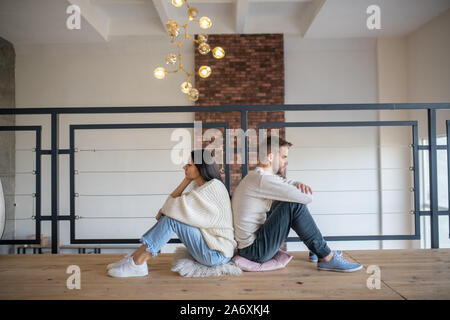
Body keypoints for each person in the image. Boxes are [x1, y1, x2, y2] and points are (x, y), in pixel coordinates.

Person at [231, 136, 362, 272]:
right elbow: (306, 198)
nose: (286, 162)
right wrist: (299, 188)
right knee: (294, 205)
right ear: (270, 157)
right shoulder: (261, 179)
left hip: (251, 247)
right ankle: (326, 257)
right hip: (254, 252)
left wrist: (296, 184)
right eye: (283, 157)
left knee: (287, 202)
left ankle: (317, 250)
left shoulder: (257, 177)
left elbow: (282, 182)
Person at [107, 149, 237, 277]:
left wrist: (165, 210)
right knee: (174, 214)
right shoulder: (201, 188)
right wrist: (186, 180)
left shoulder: (213, 187)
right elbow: (172, 203)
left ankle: (138, 262)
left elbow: (172, 206)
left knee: (173, 219)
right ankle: (135, 258)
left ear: (201, 168)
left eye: (189, 165)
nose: (184, 167)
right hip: (211, 249)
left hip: (217, 254)